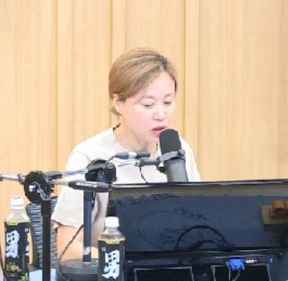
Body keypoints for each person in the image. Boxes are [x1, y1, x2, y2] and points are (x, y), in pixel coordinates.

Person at [52, 47, 199, 260]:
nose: (161, 114)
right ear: (118, 103)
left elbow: (197, 226)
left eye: (168, 102)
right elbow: (67, 249)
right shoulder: (90, 157)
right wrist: (124, 260)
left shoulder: (180, 150)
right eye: (148, 104)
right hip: (113, 270)